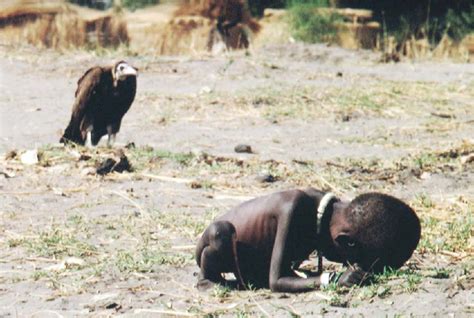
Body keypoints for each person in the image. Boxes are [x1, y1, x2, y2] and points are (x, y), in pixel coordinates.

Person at [195, 188, 421, 292]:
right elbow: (277, 281)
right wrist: (330, 279)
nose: (350, 266)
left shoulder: (329, 213)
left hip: (254, 260)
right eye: (354, 261)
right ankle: (207, 279)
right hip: (221, 246)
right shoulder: (296, 208)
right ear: (345, 243)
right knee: (220, 235)